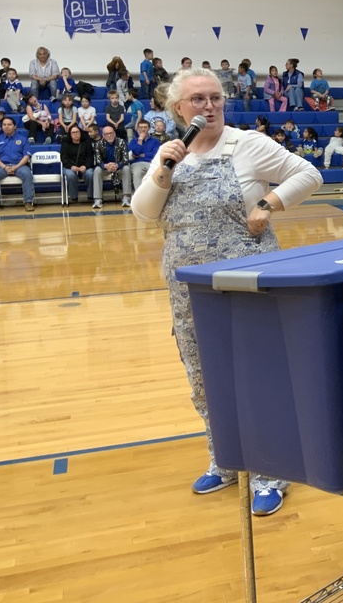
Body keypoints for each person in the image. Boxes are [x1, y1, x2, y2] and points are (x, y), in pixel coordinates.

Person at [131, 68, 322, 516]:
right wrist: (162, 171)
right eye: (198, 99)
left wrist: (267, 204)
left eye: (215, 97)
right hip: (187, 288)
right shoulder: (170, 153)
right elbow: (143, 213)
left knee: (254, 375)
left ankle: (271, 471)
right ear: (178, 108)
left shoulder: (246, 145)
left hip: (246, 283)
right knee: (202, 377)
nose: (209, 106)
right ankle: (225, 458)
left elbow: (307, 173)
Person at [0, 116, 35, 213]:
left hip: (20, 166)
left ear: (15, 126)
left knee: (27, 174)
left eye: (9, 124)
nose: (6, 126)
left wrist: (16, 167)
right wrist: (5, 167)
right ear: (1, 127)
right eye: (4, 125)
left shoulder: (23, 139)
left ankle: (28, 203)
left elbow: (26, 156)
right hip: (2, 166)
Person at [92, 124, 132, 210]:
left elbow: (126, 159)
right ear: (103, 135)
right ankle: (97, 199)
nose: (109, 135)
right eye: (106, 134)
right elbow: (98, 161)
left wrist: (117, 165)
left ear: (114, 133)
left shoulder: (121, 142)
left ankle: (126, 198)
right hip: (105, 168)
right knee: (97, 170)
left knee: (126, 168)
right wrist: (106, 166)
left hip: (118, 167)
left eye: (111, 133)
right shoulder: (98, 144)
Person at [60, 124, 95, 203]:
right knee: (70, 175)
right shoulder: (65, 144)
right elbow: (64, 158)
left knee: (90, 173)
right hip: (70, 167)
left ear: (81, 133)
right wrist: (71, 166)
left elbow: (90, 157)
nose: (75, 134)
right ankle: (74, 197)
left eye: (77, 132)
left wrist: (85, 166)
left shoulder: (86, 142)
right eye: (73, 132)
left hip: (84, 166)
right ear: (70, 134)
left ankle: (91, 196)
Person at [127, 119, 160, 188]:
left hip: (151, 163)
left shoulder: (155, 141)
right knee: (137, 173)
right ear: (138, 128)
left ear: (149, 128)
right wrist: (140, 140)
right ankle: (139, 195)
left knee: (157, 173)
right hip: (137, 163)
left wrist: (143, 155)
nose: (143, 129)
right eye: (141, 127)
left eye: (145, 127)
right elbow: (136, 153)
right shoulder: (133, 141)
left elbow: (155, 154)